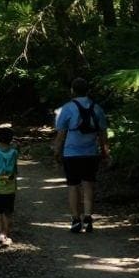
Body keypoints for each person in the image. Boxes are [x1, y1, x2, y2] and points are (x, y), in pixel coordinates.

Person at [52, 77, 110, 233]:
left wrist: (57, 151)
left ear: (72, 90)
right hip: (91, 153)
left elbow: (61, 133)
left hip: (71, 153)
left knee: (73, 186)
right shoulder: (97, 108)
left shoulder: (67, 108)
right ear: (88, 90)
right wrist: (105, 152)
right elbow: (103, 133)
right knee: (89, 185)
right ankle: (89, 218)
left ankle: (76, 220)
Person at [0, 126, 18, 246]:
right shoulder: (14, 153)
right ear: (11, 140)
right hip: (10, 186)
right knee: (8, 211)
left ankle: (0, 232)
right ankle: (6, 232)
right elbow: (15, 170)